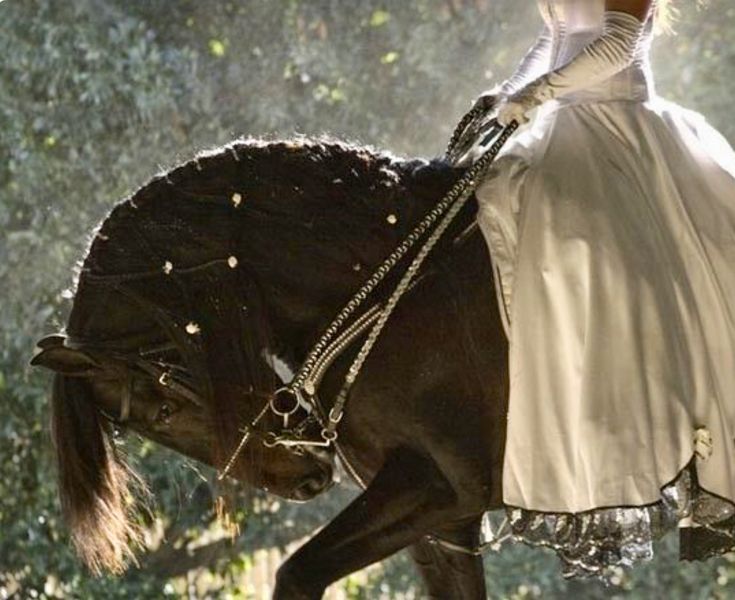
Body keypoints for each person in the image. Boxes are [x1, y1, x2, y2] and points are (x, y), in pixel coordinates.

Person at [471, 0, 735, 579]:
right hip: (562, 123)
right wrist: (508, 93)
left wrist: (534, 96)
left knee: (596, 260)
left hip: (618, 124)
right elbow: (555, 37)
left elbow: (615, 45)